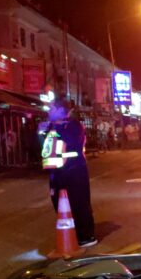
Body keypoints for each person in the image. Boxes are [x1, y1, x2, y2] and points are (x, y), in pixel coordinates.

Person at [40, 98, 97, 247]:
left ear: (60, 111)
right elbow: (43, 148)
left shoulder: (74, 126)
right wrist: (41, 133)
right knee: (59, 205)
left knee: (78, 203)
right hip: (56, 172)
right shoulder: (49, 127)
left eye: (52, 108)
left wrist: (54, 129)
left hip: (74, 170)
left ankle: (86, 236)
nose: (49, 111)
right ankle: (70, 234)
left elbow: (70, 141)